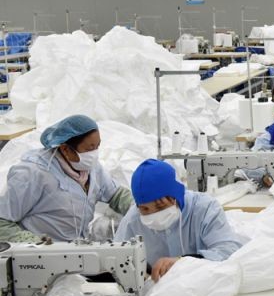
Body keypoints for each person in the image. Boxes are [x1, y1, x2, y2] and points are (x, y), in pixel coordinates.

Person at [0, 115, 133, 243]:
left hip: (76, 249)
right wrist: (33, 244)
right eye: (89, 148)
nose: (94, 154)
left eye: (97, 146)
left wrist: (137, 207)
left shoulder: (91, 168)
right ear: (65, 149)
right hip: (42, 253)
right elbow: (2, 222)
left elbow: (116, 195)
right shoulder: (32, 174)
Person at [114, 159, 242, 282]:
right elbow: (116, 258)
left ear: (176, 197)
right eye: (145, 209)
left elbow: (229, 250)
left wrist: (183, 261)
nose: (153, 214)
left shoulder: (204, 209)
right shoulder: (132, 220)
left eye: (160, 206)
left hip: (205, 282)